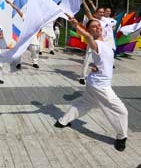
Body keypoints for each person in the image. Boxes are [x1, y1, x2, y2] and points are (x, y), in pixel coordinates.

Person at [55, 14, 128, 152]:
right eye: (94, 27)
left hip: (93, 82)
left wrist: (96, 66)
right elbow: (88, 37)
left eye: (99, 25)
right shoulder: (96, 43)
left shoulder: (106, 43)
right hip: (101, 86)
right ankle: (121, 137)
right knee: (121, 111)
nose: (98, 27)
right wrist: (76, 25)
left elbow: (103, 60)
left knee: (85, 103)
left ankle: (62, 121)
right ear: (89, 31)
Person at [5, 0, 42, 69]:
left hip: (32, 38)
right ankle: (18, 63)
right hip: (24, 37)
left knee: (35, 49)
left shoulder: (37, 19)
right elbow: (17, 10)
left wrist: (38, 35)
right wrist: (10, 3)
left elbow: (41, 27)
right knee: (20, 50)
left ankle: (35, 62)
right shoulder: (25, 17)